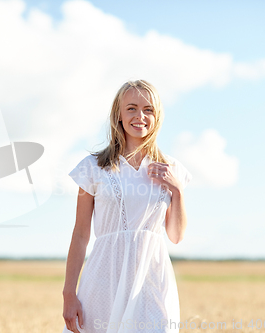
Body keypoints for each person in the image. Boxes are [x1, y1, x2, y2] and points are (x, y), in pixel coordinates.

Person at [62, 80, 193, 333]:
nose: (140, 116)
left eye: (148, 109)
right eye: (131, 108)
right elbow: (80, 235)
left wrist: (176, 189)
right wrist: (69, 293)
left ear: (157, 116)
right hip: (103, 281)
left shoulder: (172, 169)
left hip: (152, 282)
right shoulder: (92, 168)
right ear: (118, 115)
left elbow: (176, 236)